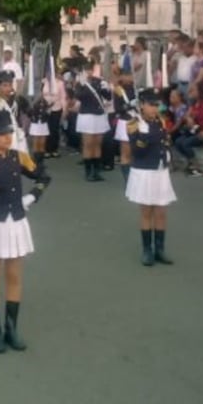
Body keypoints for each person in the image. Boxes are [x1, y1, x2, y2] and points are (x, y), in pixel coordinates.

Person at [0, 110, 50, 353]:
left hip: (16, 221)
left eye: (9, 133)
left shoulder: (19, 157)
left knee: (15, 278)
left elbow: (44, 177)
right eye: (1, 134)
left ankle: (11, 328)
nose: (7, 137)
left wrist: (31, 197)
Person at [125, 88, 177, 267]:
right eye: (150, 105)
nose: (154, 108)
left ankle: (160, 249)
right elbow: (137, 151)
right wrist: (143, 135)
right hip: (144, 171)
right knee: (147, 211)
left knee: (161, 211)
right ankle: (147, 250)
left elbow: (165, 143)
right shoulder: (134, 124)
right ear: (141, 105)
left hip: (160, 170)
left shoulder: (160, 122)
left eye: (156, 105)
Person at [73, 63, 113, 182]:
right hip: (87, 115)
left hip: (99, 115)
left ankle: (96, 171)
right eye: (87, 70)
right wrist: (82, 84)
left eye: (91, 70)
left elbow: (108, 97)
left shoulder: (99, 81)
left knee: (97, 143)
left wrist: (106, 88)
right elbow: (79, 96)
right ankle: (88, 172)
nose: (89, 72)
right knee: (88, 144)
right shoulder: (81, 83)